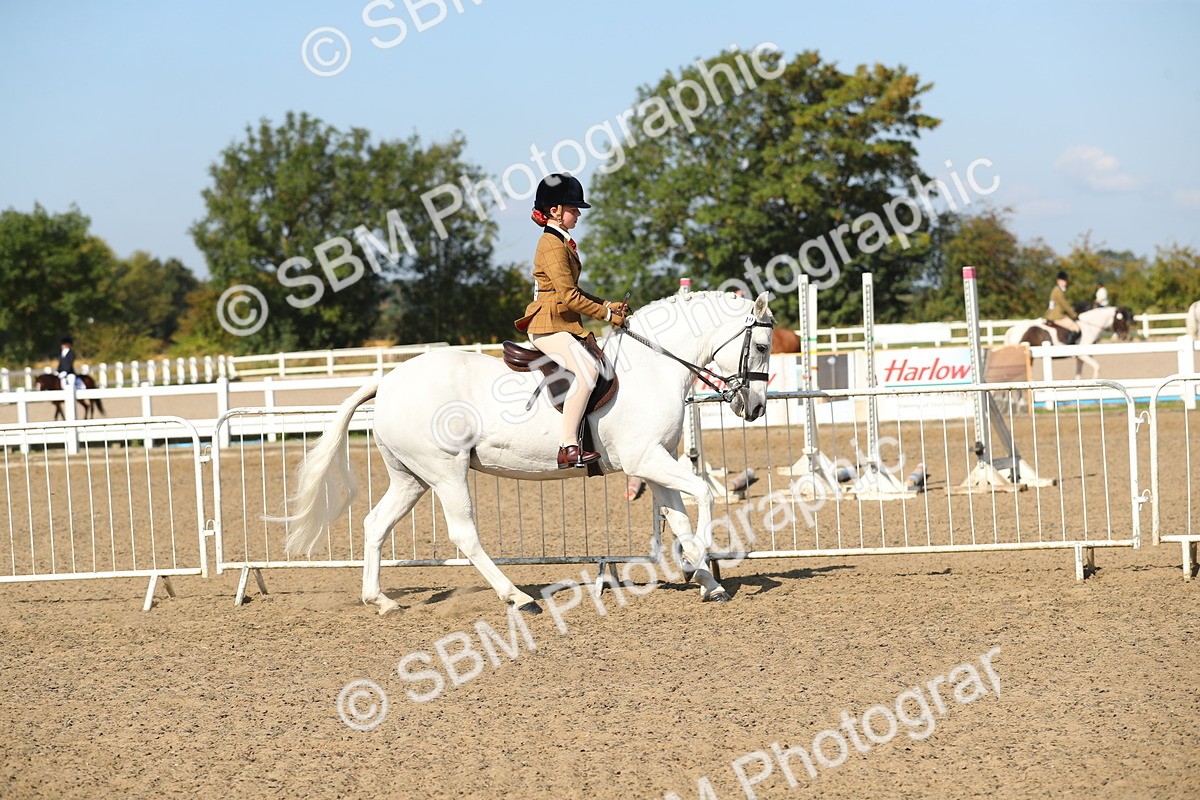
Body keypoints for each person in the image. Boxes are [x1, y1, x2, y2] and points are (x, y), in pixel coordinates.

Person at [514, 173, 628, 469]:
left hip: (560, 322)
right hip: (547, 325)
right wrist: (606, 315)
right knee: (588, 370)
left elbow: (572, 290)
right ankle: (568, 446)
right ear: (555, 211)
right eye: (573, 209)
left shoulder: (560, 241)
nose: (578, 214)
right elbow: (569, 297)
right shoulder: (551, 244)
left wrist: (606, 304)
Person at [1045, 271, 1080, 343]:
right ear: (1058, 281)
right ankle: (1070, 347)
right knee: (1076, 328)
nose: (1065, 282)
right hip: (1056, 316)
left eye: (1065, 280)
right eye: (1063, 281)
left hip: (1052, 314)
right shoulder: (1058, 290)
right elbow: (1064, 304)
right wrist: (1074, 315)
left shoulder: (1056, 289)